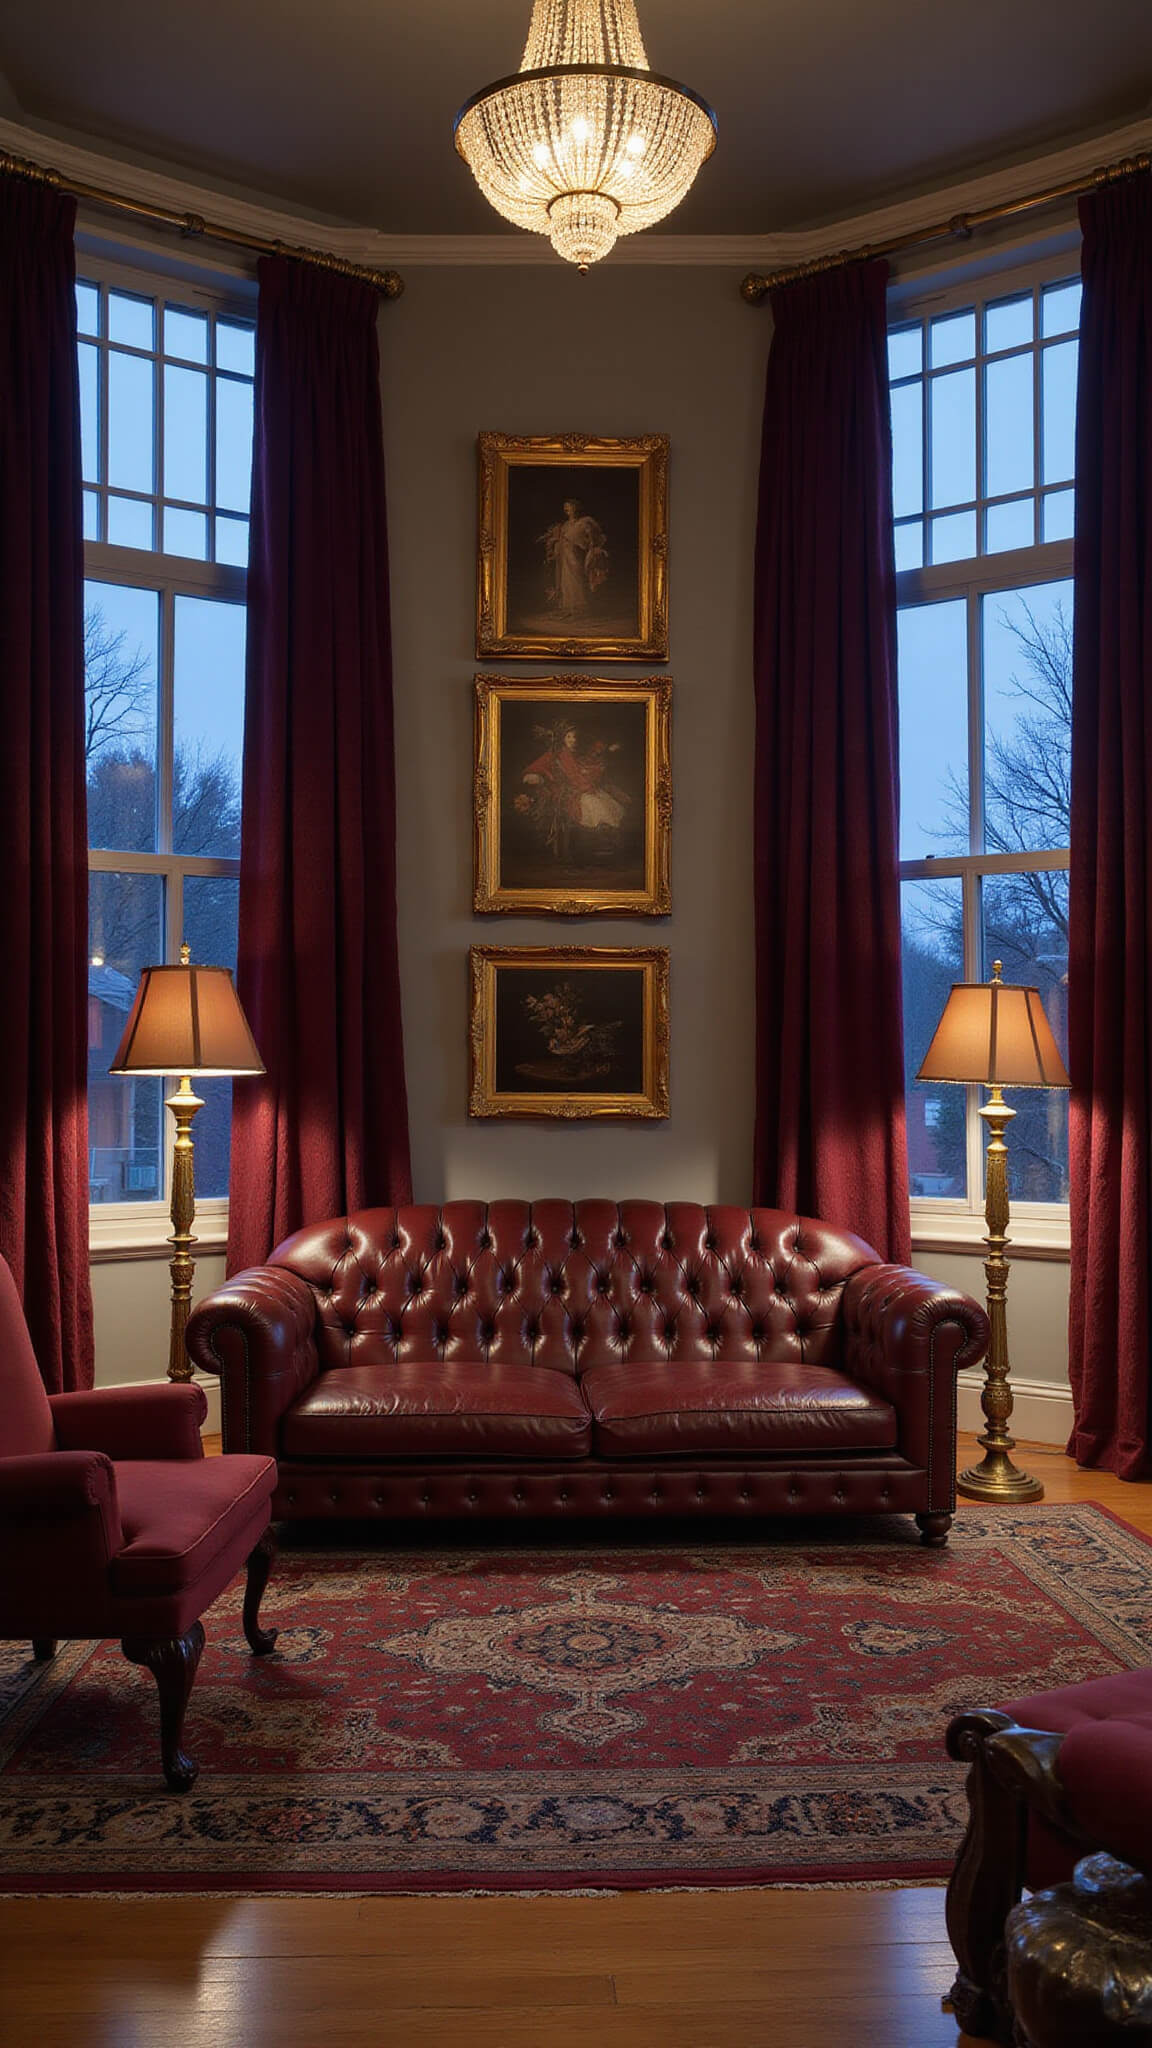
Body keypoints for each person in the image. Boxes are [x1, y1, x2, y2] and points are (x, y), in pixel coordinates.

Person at [518, 724, 628, 862]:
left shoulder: (577, 753)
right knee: (591, 802)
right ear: (563, 738)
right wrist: (536, 776)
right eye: (569, 736)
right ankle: (601, 840)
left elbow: (589, 765)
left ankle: (604, 840)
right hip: (564, 792)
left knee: (603, 801)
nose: (573, 740)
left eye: (575, 737)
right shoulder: (556, 753)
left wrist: (603, 757)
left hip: (581, 788)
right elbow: (535, 769)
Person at [539, 499, 609, 618]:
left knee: (577, 578)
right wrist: (554, 548)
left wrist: (592, 548)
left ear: (576, 508)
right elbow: (561, 540)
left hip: (575, 555)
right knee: (565, 581)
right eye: (565, 507)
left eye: (569, 506)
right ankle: (568, 607)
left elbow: (592, 539)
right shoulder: (565, 525)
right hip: (564, 556)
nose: (566, 509)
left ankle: (580, 608)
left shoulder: (584, 522)